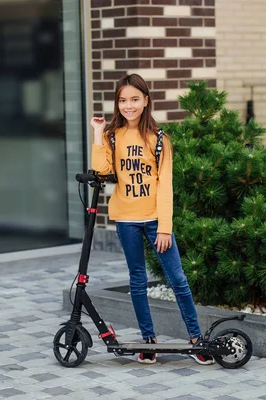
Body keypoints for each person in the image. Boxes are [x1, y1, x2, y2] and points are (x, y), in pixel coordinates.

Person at [90, 73, 214, 365]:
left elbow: (166, 186)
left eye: (134, 99)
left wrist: (165, 227)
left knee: (178, 280)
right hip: (126, 219)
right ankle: (148, 341)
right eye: (122, 100)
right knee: (137, 281)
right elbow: (100, 169)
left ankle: (196, 339)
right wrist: (97, 133)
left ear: (146, 101)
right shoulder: (112, 135)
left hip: (155, 221)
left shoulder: (159, 139)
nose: (128, 105)